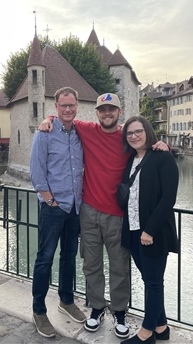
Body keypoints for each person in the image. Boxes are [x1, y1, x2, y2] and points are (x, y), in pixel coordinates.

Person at [39, 93, 169, 338]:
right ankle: (97, 308)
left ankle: (119, 312)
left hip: (118, 215)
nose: (107, 113)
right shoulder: (87, 129)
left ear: (119, 112)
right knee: (91, 263)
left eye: (112, 109)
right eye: (102, 110)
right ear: (96, 113)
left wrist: (163, 145)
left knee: (119, 265)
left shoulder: (128, 137)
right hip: (88, 210)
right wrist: (48, 118)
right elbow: (64, 117)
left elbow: (148, 147)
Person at [30, 87, 86, 338]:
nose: (67, 109)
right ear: (56, 107)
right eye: (63, 105)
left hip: (75, 206)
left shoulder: (80, 133)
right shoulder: (44, 134)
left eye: (71, 105)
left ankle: (65, 300)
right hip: (54, 207)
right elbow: (37, 172)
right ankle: (39, 310)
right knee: (45, 258)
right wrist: (49, 201)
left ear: (77, 106)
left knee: (69, 257)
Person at [120, 116, 179, 344]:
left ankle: (146, 334)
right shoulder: (131, 160)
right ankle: (161, 328)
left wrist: (150, 230)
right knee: (149, 279)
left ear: (148, 131)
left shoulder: (163, 157)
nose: (134, 136)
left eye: (138, 131)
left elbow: (168, 198)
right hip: (133, 231)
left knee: (154, 283)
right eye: (129, 133)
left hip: (153, 233)